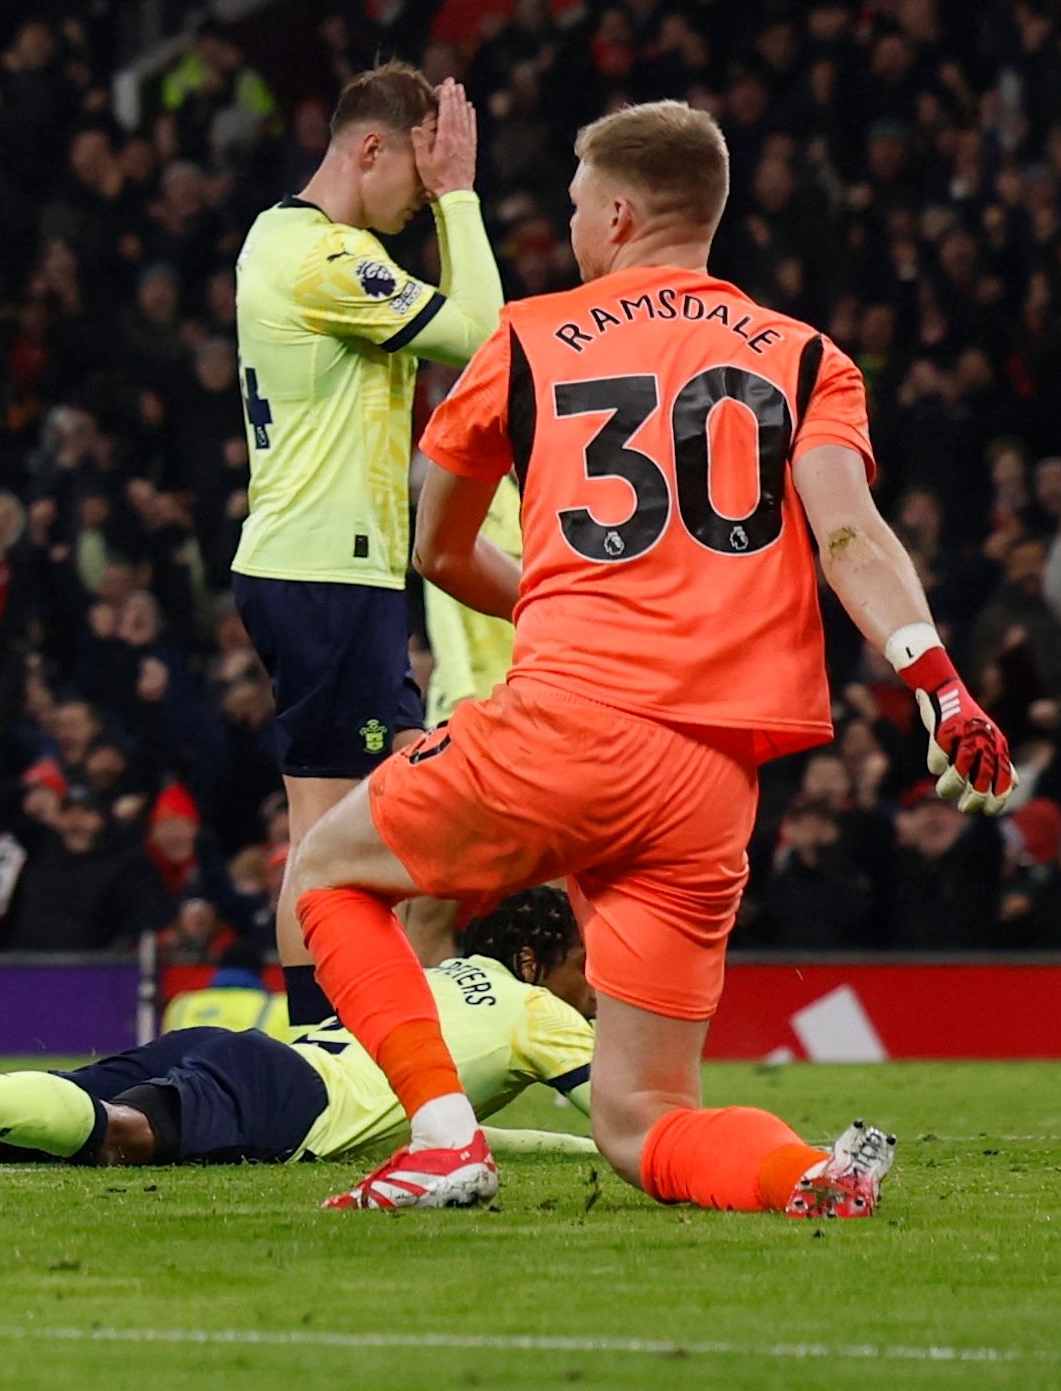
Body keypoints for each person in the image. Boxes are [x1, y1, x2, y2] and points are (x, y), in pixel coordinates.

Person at [286, 100, 1017, 1215]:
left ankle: (441, 1138)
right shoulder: (805, 356)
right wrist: (941, 684)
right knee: (642, 1118)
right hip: (711, 780)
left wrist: (559, 604)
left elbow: (433, 542)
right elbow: (850, 537)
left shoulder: (527, 337)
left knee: (326, 875)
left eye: (580, 205)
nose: (575, 224)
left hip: (569, 722)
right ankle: (806, 1173)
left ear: (618, 213)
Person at [0, 889, 596, 1174]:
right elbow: (625, 1122)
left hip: (248, 1058)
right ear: (538, 960)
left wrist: (540, 1149)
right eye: (589, 958)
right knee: (123, 1136)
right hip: (288, 1103)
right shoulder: (543, 1014)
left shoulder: (419, 979)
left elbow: (459, 1127)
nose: (599, 981)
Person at [230, 63, 504, 1024]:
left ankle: (337, 1037)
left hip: (323, 570)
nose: (421, 205)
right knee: (327, 835)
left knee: (350, 825)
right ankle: (325, 1048)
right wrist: (464, 200)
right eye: (416, 183)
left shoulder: (296, 244)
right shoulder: (322, 257)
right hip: (322, 574)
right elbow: (479, 334)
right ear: (371, 148)